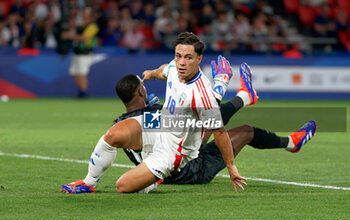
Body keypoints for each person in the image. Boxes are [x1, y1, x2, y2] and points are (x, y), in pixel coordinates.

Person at [62, 63, 316, 194]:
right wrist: (218, 87)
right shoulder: (150, 119)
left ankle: (250, 102)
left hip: (179, 153)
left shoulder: (124, 124)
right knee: (245, 131)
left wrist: (90, 180)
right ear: (141, 91)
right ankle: (288, 140)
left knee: (204, 122)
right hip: (186, 171)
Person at [66, 7, 98, 98]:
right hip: (77, 52)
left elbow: (84, 38)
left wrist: (70, 36)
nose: (84, 14)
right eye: (83, 12)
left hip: (85, 53)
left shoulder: (93, 26)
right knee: (74, 72)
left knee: (82, 73)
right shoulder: (82, 25)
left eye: (86, 13)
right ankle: (81, 91)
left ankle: (84, 92)